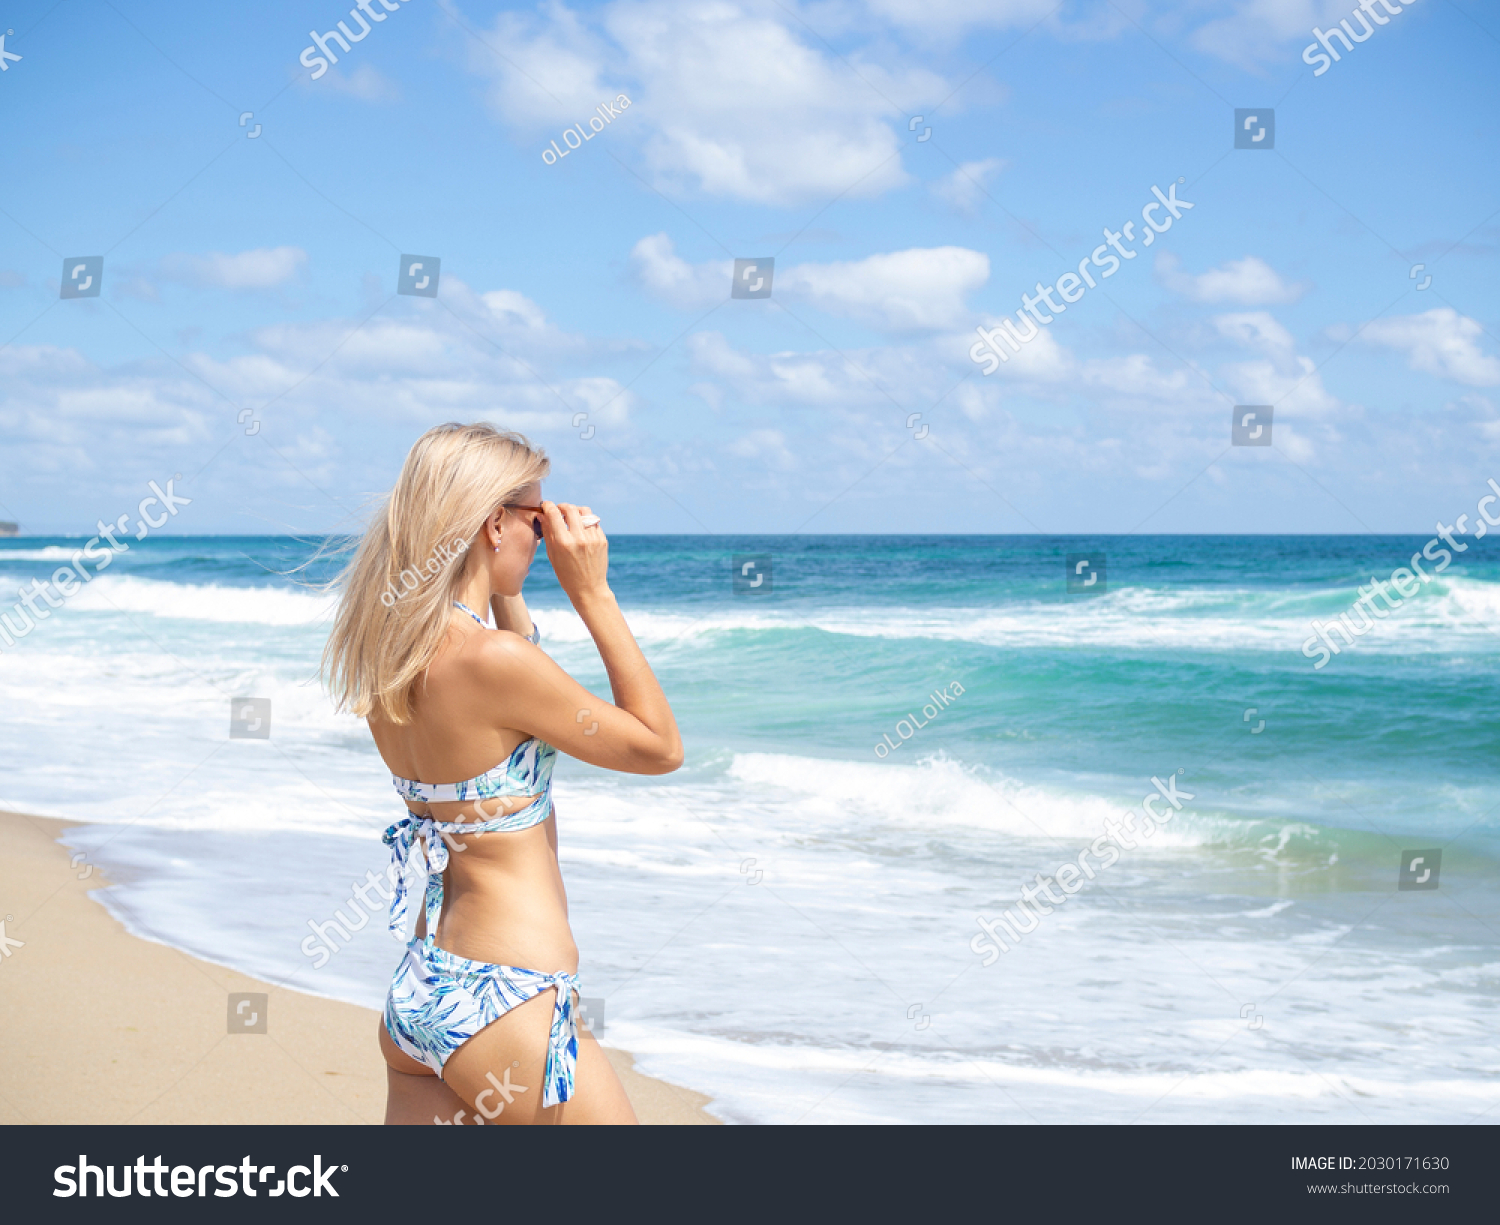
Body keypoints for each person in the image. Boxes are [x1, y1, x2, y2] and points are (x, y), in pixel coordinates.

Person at [323, 422, 683, 1124]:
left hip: (425, 992)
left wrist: (504, 557)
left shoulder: (393, 656)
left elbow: (513, 652)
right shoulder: (494, 664)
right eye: (534, 523)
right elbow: (659, 746)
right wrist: (594, 593)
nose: (542, 538)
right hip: (508, 998)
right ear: (493, 523)